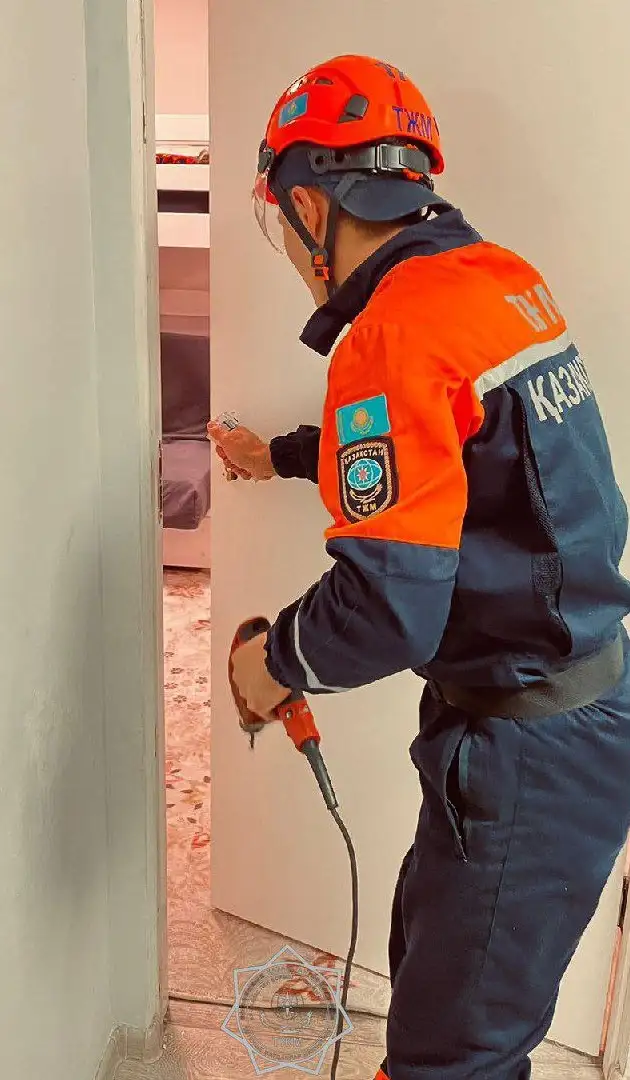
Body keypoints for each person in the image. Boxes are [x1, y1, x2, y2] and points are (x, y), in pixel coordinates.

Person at [208, 54, 630, 1080]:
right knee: (449, 998)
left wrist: (271, 664)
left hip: (527, 749)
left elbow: (386, 606)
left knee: (453, 1056)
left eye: (280, 221)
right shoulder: (496, 283)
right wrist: (285, 455)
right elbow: (449, 448)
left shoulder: (394, 330)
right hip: (571, 709)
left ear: (311, 206)